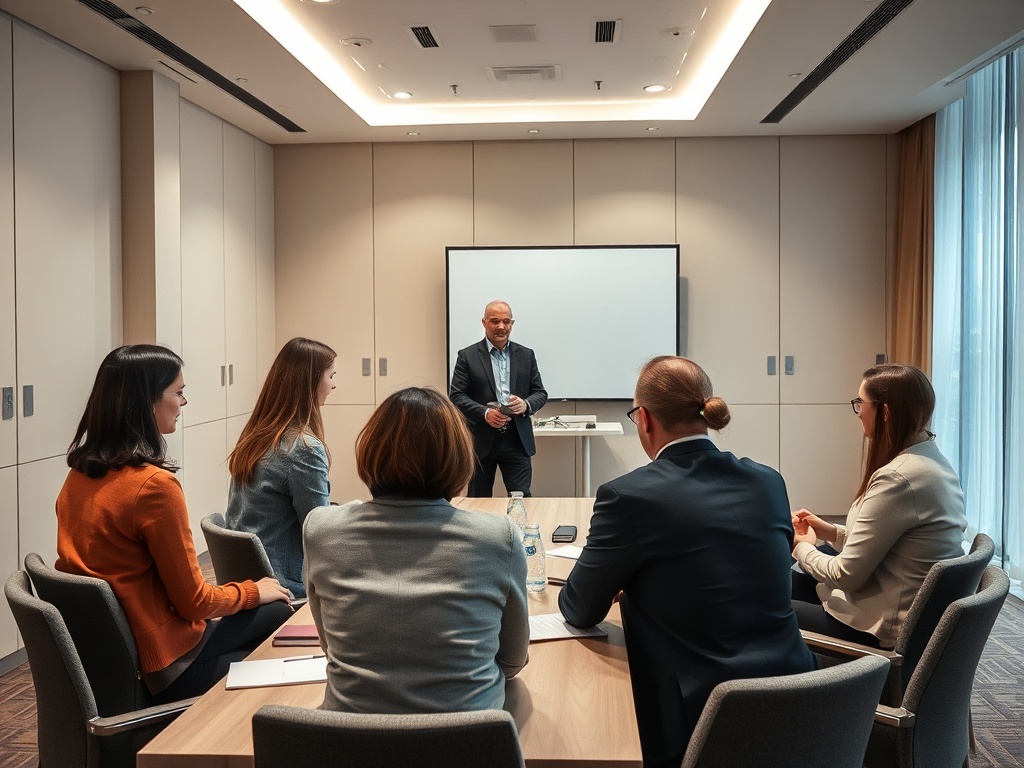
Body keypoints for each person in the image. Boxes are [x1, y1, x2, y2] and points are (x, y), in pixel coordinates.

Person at [558, 356, 815, 768]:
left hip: (700, 720)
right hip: (803, 700)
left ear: (644, 419)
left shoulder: (629, 496)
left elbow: (579, 607)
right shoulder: (769, 480)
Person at [55, 345, 293, 702]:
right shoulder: (153, 488)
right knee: (278, 612)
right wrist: (254, 590)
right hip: (167, 667)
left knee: (269, 607)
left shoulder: (79, 475)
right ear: (148, 401)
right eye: (179, 393)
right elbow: (194, 602)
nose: (184, 403)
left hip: (115, 659)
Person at [303, 387, 530, 714]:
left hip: (347, 744)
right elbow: (511, 661)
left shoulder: (321, 530)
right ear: (457, 457)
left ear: (370, 450)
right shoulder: (498, 537)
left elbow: (332, 650)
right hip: (470, 744)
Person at [790, 364, 967, 649]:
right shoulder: (929, 460)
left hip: (878, 628)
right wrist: (831, 534)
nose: (858, 411)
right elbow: (895, 546)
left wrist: (801, 546)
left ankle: (789, 691)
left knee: (761, 607)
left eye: (861, 403)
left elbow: (844, 576)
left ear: (885, 412)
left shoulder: (899, 477)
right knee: (781, 583)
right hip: (899, 607)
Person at [226, 337, 336, 598]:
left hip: (245, 580)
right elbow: (319, 531)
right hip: (283, 584)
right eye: (331, 376)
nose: (333, 384)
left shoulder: (255, 436)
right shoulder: (303, 449)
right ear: (311, 381)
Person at [449, 300, 548, 496]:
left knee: (521, 499)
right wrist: (485, 413)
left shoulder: (526, 355)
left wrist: (526, 404)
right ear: (484, 323)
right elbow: (457, 395)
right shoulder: (467, 356)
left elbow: (540, 393)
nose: (501, 326)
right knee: (478, 501)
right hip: (481, 441)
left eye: (506, 321)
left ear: (512, 323)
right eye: (495, 321)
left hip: (517, 440)